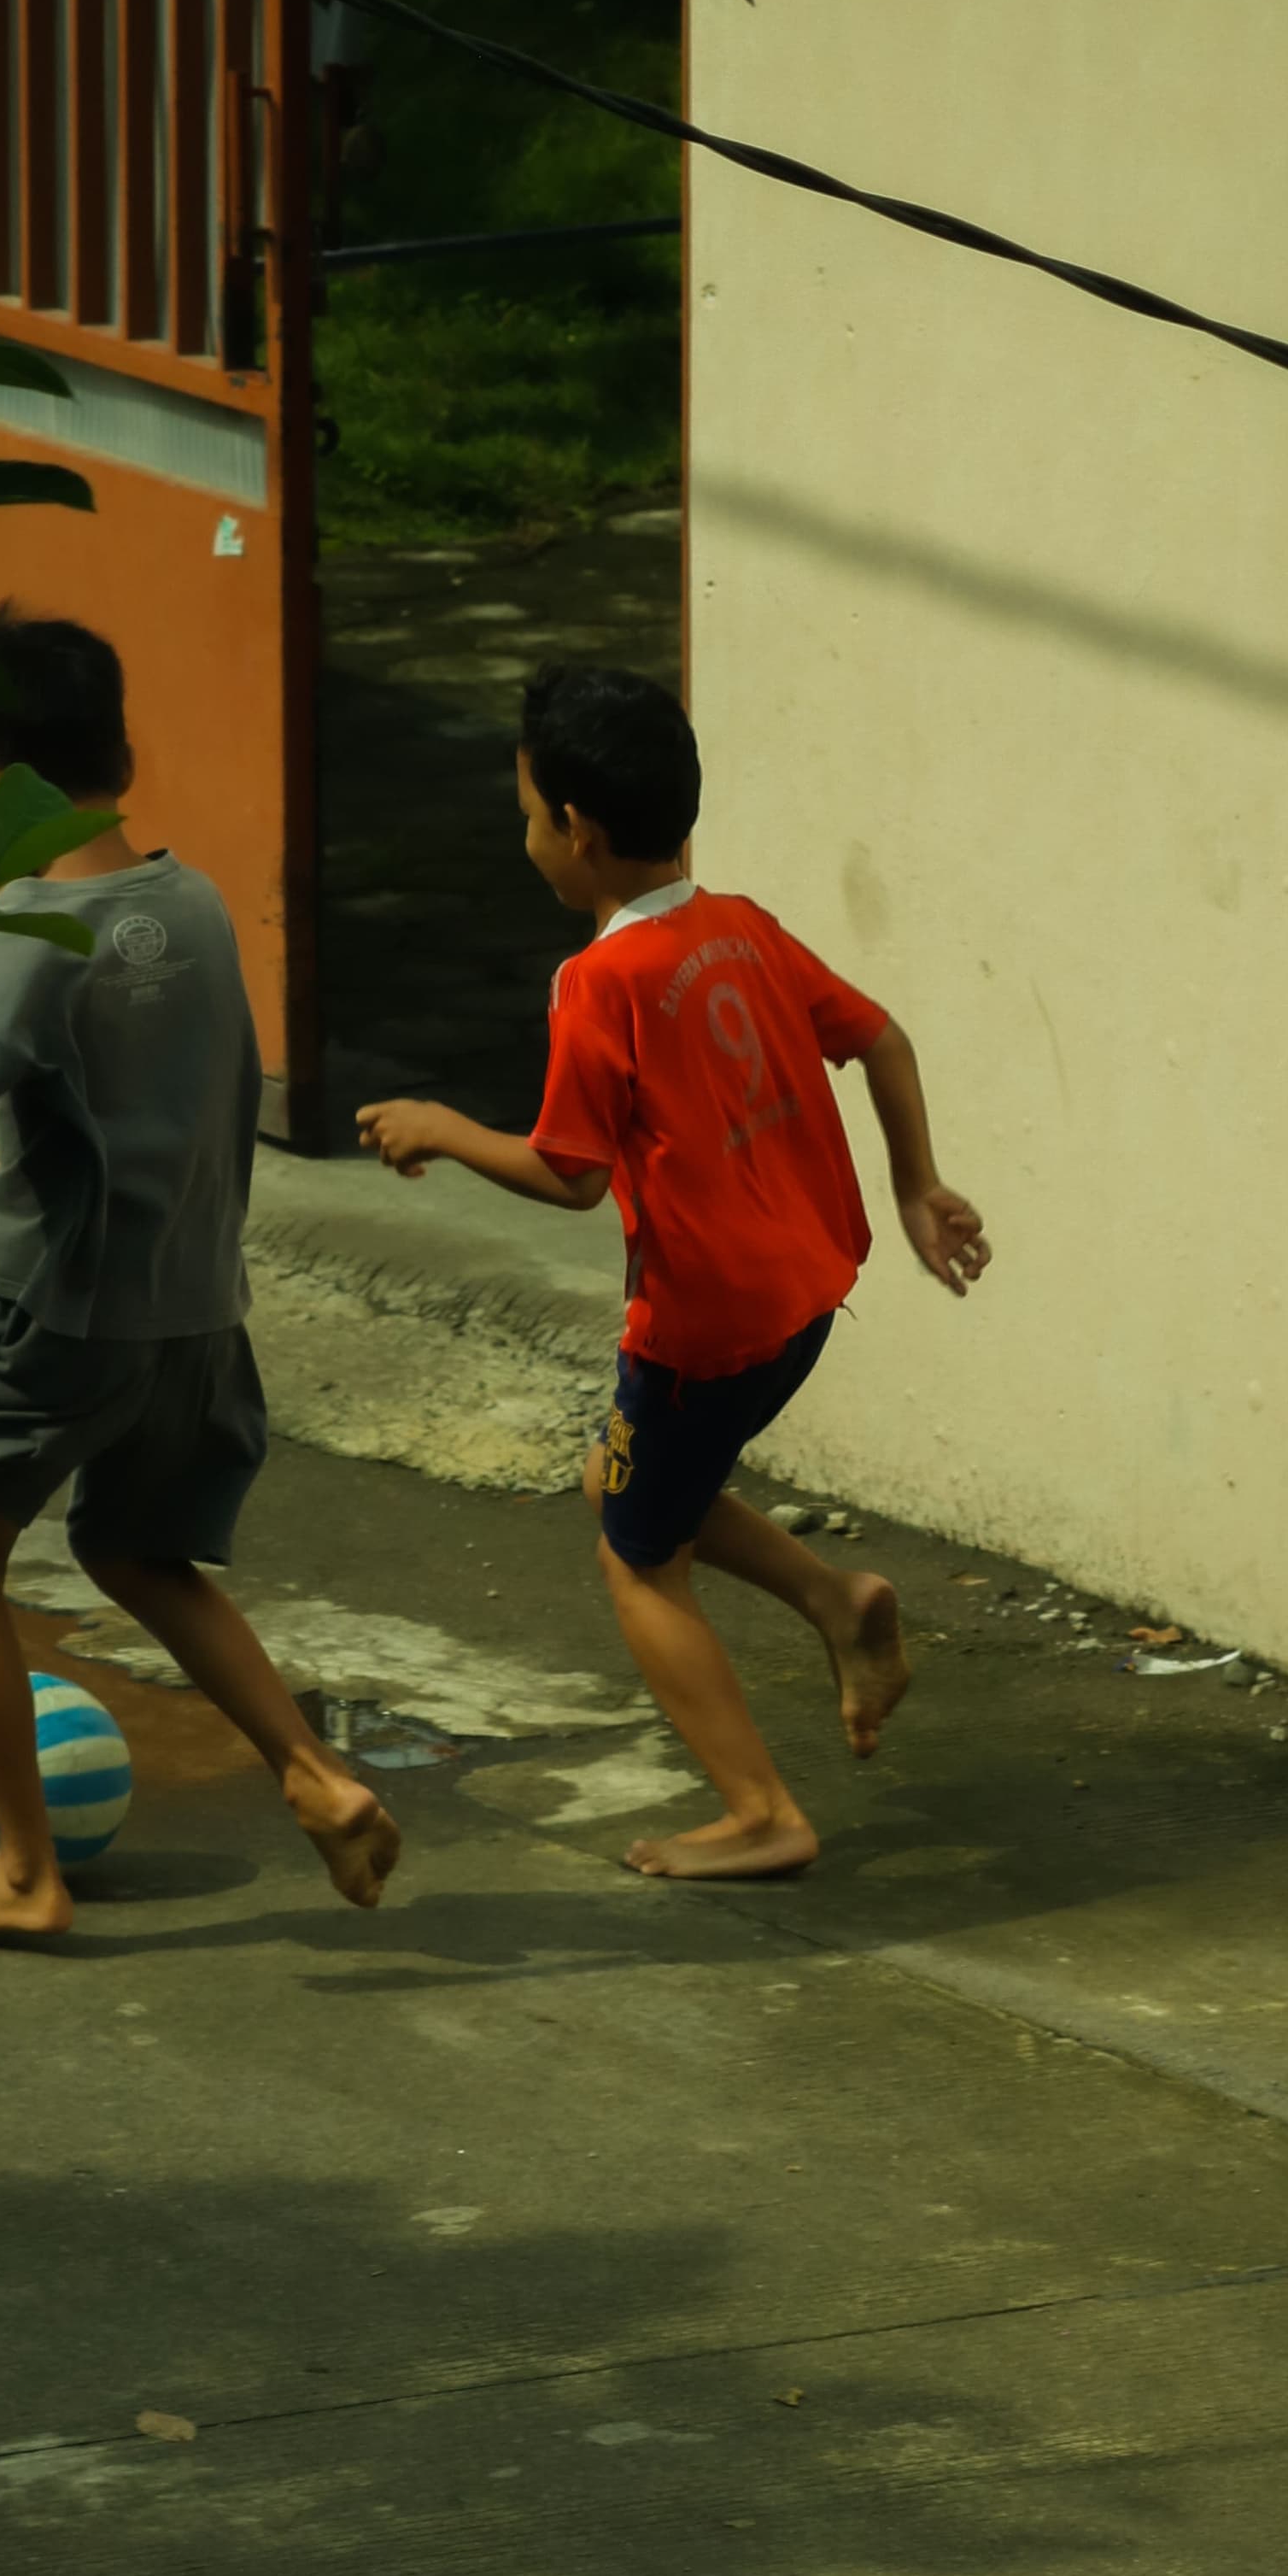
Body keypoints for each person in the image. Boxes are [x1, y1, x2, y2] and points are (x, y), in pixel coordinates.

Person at [0, 607, 400, 1941]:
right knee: (134, 1548)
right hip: (200, 1312)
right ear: (121, 748)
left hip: (64, 1318)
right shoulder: (196, 904)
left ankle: (27, 1871)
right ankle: (315, 1774)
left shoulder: (16, 942)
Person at [356, 663, 987, 1885]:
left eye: (529, 815)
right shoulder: (739, 924)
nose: (527, 836)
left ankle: (762, 1813)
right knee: (628, 1475)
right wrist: (916, 1186)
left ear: (577, 833)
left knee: (634, 1550)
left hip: (703, 1328)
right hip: (809, 1289)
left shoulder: (600, 981)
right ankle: (838, 1601)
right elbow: (884, 1039)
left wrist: (441, 1125)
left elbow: (568, 1173)